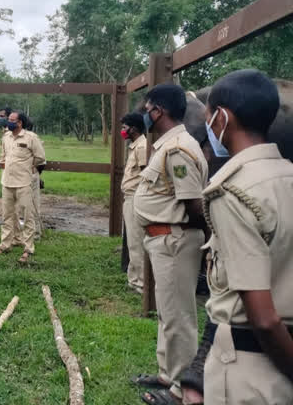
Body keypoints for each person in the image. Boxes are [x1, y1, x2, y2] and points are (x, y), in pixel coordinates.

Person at [198, 70, 293, 404]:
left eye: (208, 117)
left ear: (222, 117)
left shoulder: (233, 192)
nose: (207, 126)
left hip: (250, 367)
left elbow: (264, 319)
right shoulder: (286, 175)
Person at [132, 84, 208, 405]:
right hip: (163, 238)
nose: (143, 115)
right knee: (167, 311)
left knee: (179, 317)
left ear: (158, 111)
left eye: (146, 109)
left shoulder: (178, 149)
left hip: (174, 239)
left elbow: (193, 205)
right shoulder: (167, 145)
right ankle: (167, 372)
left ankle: (181, 389)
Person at [0, 110, 46, 263]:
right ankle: (5, 244)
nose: (8, 122)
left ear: (19, 123)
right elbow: (2, 157)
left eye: (11, 120)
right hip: (7, 182)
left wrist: (30, 169)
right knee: (7, 215)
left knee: (28, 216)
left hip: (24, 183)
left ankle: (28, 248)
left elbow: (40, 158)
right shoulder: (6, 138)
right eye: (8, 119)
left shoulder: (31, 138)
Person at [120, 112, 149, 294]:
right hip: (129, 198)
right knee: (132, 240)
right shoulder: (134, 146)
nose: (122, 131)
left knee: (137, 240)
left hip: (136, 199)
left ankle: (141, 283)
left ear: (134, 128)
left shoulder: (142, 147)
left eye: (124, 128)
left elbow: (146, 176)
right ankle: (133, 278)